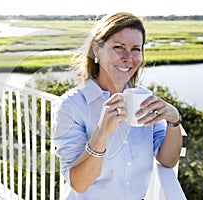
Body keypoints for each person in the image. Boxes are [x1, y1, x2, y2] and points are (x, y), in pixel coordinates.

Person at [53, 12, 183, 200]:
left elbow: (167, 160)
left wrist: (174, 120)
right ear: (96, 50)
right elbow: (78, 184)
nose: (128, 58)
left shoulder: (144, 99)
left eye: (136, 49)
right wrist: (102, 133)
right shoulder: (71, 105)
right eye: (118, 47)